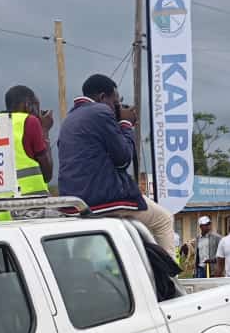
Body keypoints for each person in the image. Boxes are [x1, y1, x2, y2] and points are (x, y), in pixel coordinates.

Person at [57, 73, 175, 253]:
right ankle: (170, 279)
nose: (116, 108)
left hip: (73, 202)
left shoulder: (69, 118)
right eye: (115, 102)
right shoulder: (100, 111)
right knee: (163, 220)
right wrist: (126, 124)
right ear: (102, 97)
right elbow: (123, 160)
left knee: (94, 241)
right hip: (101, 198)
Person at [0, 86, 52, 218]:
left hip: (1, 209)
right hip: (30, 208)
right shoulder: (30, 122)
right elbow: (48, 174)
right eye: (37, 105)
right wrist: (45, 130)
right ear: (28, 105)